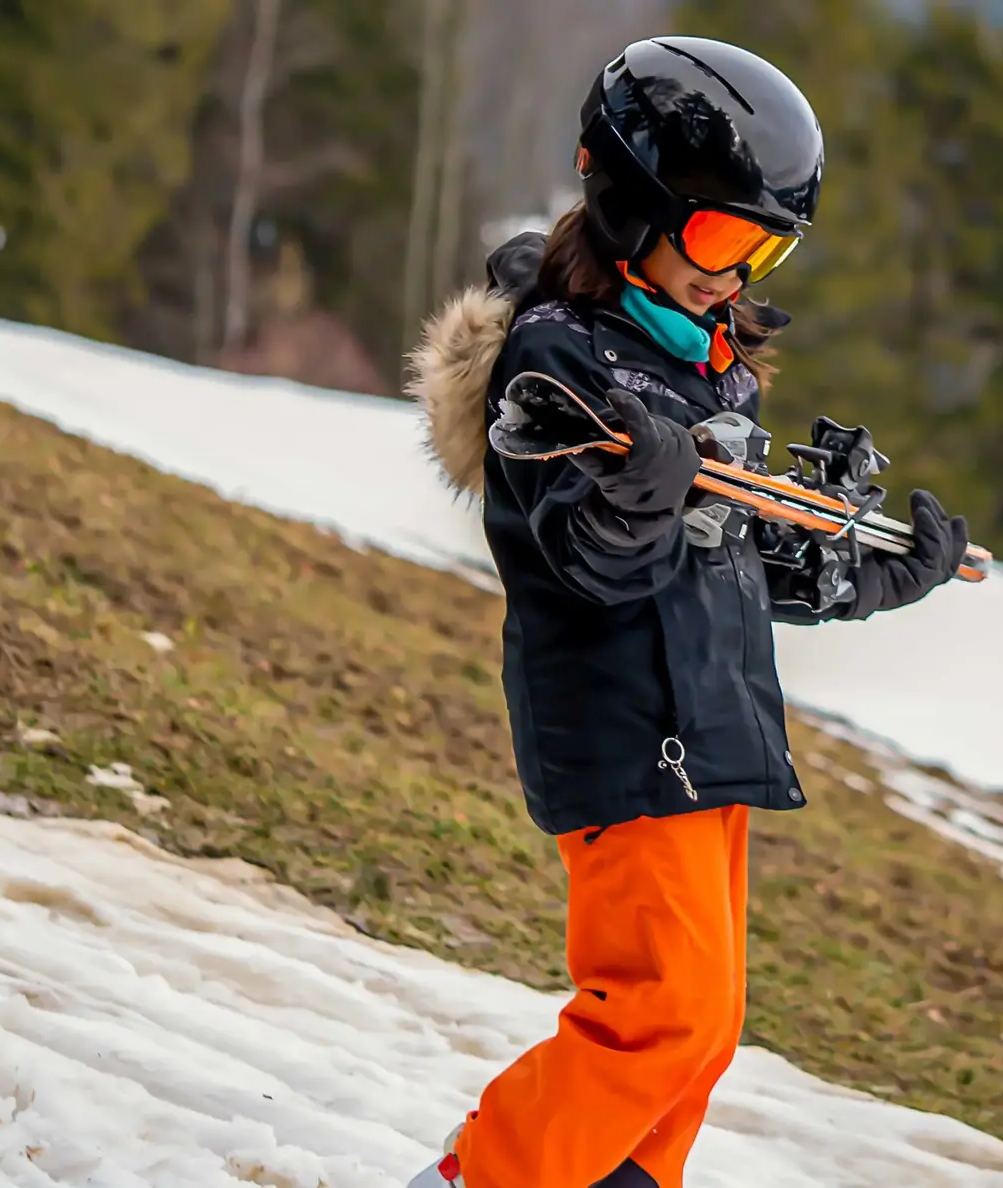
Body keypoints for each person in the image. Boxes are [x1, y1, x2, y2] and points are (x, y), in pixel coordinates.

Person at [405, 35, 970, 1188]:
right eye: (719, 235)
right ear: (628, 204)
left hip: (711, 727)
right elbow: (586, 565)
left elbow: (744, 558)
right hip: (624, 730)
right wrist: (636, 494)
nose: (738, 273)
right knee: (657, 1013)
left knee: (701, 1033)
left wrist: (871, 572)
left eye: (766, 247)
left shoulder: (706, 367)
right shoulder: (558, 365)